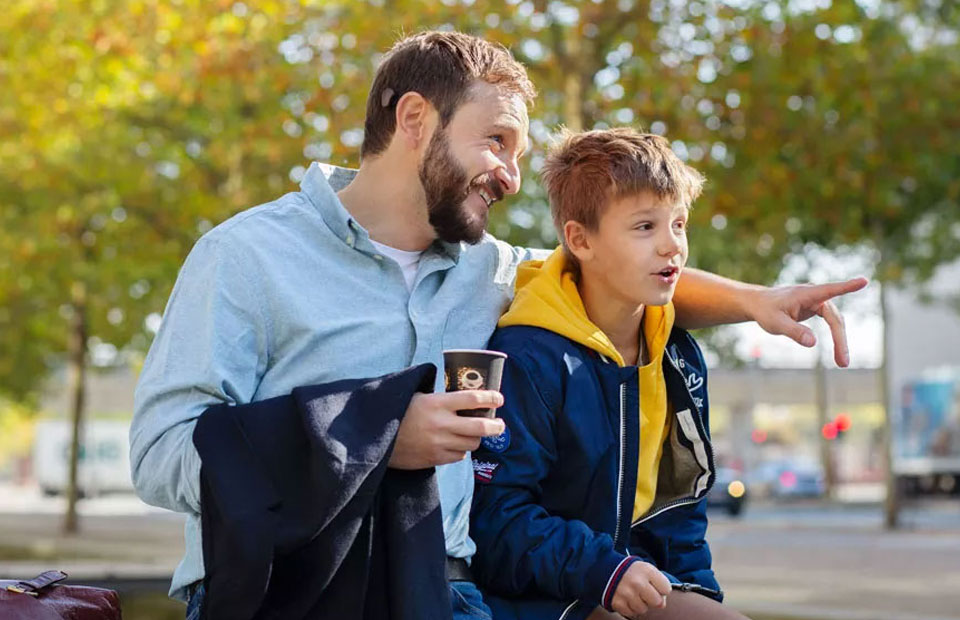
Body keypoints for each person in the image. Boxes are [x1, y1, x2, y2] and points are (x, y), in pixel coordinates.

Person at [130, 31, 865, 619]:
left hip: (449, 593)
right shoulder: (245, 256)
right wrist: (376, 440)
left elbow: (613, 268)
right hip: (285, 594)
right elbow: (161, 458)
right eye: (498, 141)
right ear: (415, 119)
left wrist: (758, 300)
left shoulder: (495, 267)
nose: (512, 176)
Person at [470, 128, 748, 620]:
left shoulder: (678, 355)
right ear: (580, 239)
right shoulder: (529, 357)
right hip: (541, 596)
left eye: (679, 225)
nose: (672, 247)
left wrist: (700, 596)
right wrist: (604, 570)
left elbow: (679, 513)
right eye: (645, 227)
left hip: (632, 581)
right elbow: (496, 520)